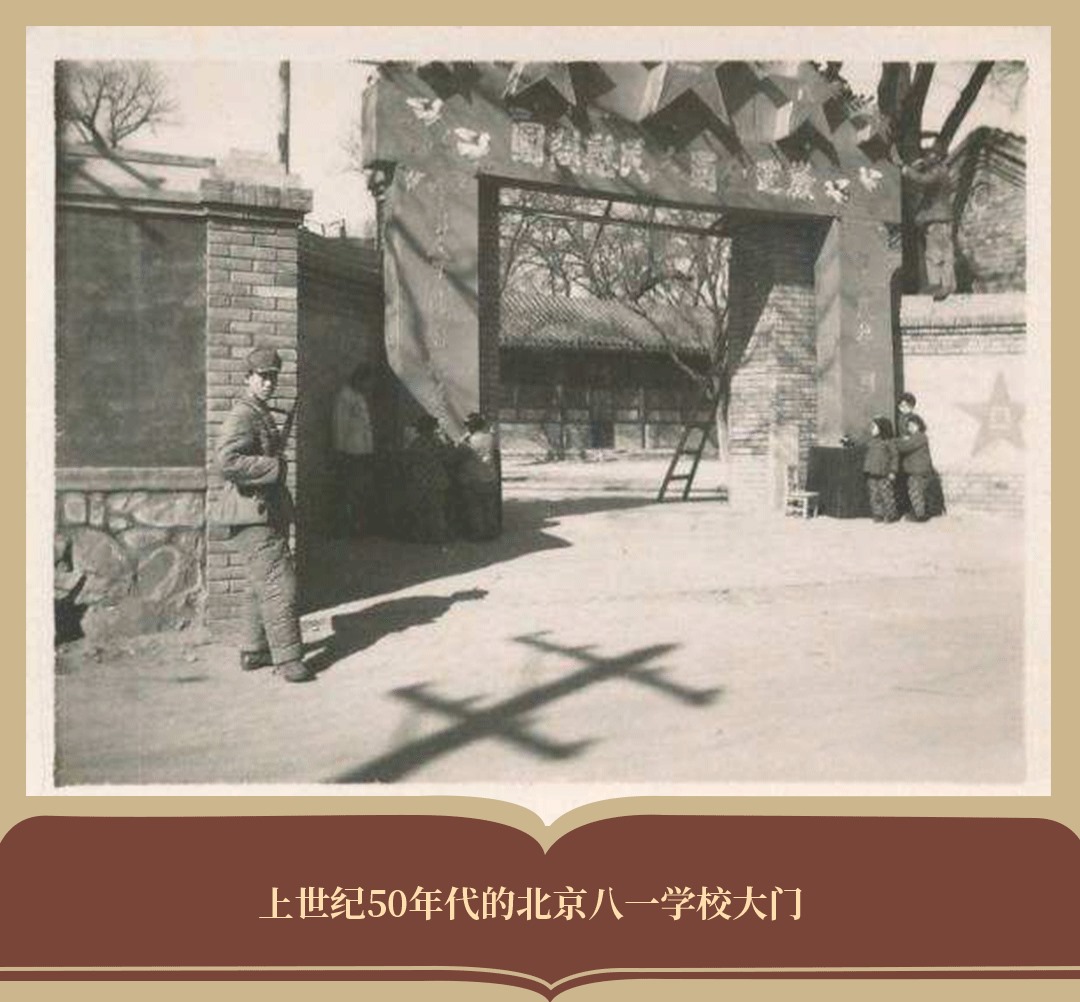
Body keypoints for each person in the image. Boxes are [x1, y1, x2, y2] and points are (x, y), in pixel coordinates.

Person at [216, 347, 313, 683]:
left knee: (260, 584)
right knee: (280, 583)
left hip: (262, 511)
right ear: (248, 378)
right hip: (252, 512)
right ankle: (288, 659)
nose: (269, 383)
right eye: (262, 377)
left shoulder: (258, 411)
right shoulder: (243, 415)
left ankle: (254, 650)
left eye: (273, 377)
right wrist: (273, 467)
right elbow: (226, 462)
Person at [901, 145, 956, 299]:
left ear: (937, 156)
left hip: (937, 219)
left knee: (936, 253)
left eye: (930, 154)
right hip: (940, 219)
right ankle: (944, 285)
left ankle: (940, 285)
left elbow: (923, 180)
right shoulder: (942, 170)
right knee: (941, 252)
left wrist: (906, 169)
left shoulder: (938, 171)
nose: (927, 157)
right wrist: (918, 166)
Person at [332, 363, 376, 537]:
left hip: (363, 452)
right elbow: (340, 425)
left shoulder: (359, 396)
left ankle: (357, 527)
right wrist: (339, 449)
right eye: (367, 382)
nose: (369, 386)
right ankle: (346, 528)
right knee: (350, 491)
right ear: (359, 379)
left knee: (360, 491)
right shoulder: (345, 396)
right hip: (350, 452)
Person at [404, 414, 454, 543]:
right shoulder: (438, 442)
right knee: (437, 510)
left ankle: (422, 536)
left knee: (421, 510)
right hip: (437, 480)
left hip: (420, 481)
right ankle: (438, 536)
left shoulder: (416, 443)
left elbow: (408, 461)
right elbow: (448, 458)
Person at [456, 411, 500, 540]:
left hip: (473, 479)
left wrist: (462, 439)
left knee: (475, 508)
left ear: (471, 426)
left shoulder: (468, 442)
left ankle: (478, 533)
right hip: (490, 477)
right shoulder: (490, 438)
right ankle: (492, 532)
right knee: (489, 507)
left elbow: (456, 454)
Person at [895, 414, 936, 522]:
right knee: (916, 492)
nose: (911, 428)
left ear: (919, 426)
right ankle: (919, 513)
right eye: (909, 426)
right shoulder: (916, 437)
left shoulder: (920, 437)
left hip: (918, 471)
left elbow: (905, 447)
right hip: (917, 470)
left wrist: (896, 441)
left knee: (915, 492)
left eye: (913, 425)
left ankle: (919, 515)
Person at [862, 416, 899, 523]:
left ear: (882, 428)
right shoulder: (871, 442)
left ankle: (890, 514)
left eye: (874, 427)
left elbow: (895, 457)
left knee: (886, 494)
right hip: (872, 473)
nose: (871, 429)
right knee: (874, 495)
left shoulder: (889, 442)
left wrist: (893, 471)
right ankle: (878, 514)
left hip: (884, 473)